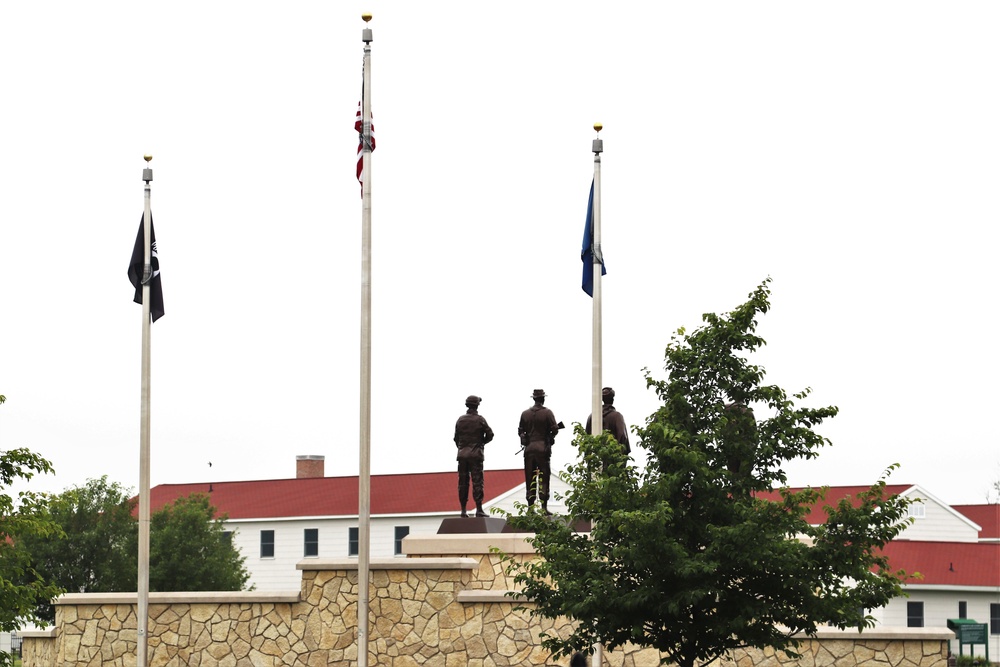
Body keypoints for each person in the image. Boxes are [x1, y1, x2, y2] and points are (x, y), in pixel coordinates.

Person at [518, 389, 561, 514]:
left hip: (529, 449)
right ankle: (543, 507)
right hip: (542, 448)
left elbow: (520, 430)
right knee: (544, 477)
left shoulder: (525, 414)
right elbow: (555, 429)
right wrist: (550, 437)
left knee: (530, 478)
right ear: (543, 399)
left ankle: (530, 507)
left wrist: (524, 438)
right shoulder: (547, 413)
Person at [454, 395, 494, 517]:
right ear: (477, 405)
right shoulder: (480, 420)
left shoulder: (460, 420)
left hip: (462, 455)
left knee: (463, 482)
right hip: (476, 455)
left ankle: (463, 510)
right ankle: (479, 509)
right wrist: (481, 444)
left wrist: (462, 447)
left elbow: (456, 438)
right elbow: (490, 434)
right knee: (477, 482)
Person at [585, 386, 630, 455]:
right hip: (613, 459)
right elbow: (623, 437)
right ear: (612, 399)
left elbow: (587, 440)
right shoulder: (617, 416)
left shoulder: (592, 417)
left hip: (595, 459)